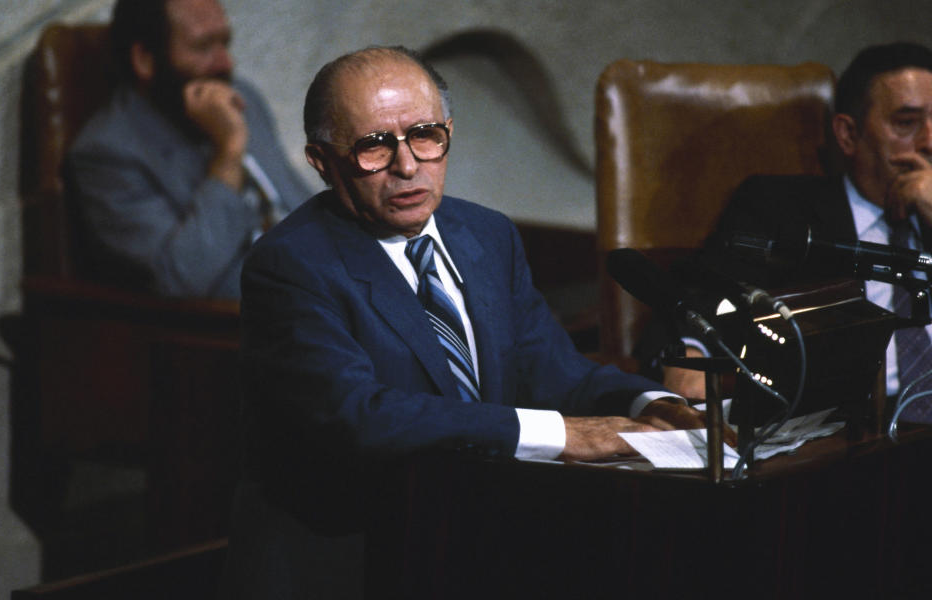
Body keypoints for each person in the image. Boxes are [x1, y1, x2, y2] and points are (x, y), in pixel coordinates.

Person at [223, 45, 712, 598]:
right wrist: (566, 435)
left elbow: (555, 372)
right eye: (373, 147)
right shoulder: (291, 264)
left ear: (448, 131)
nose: (407, 166)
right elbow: (359, 415)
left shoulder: (486, 235)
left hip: (476, 540)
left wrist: (653, 406)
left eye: (425, 135)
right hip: (351, 557)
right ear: (321, 160)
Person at [656, 42, 932, 417]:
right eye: (906, 123)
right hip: (855, 430)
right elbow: (703, 301)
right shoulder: (780, 208)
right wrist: (696, 353)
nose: (929, 141)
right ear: (848, 134)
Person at [66, 0, 310, 298]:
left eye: (225, 43)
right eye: (203, 46)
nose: (225, 63)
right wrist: (229, 154)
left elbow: (294, 201)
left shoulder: (242, 97)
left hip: (326, 277)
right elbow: (180, 278)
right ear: (144, 59)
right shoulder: (108, 154)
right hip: (257, 318)